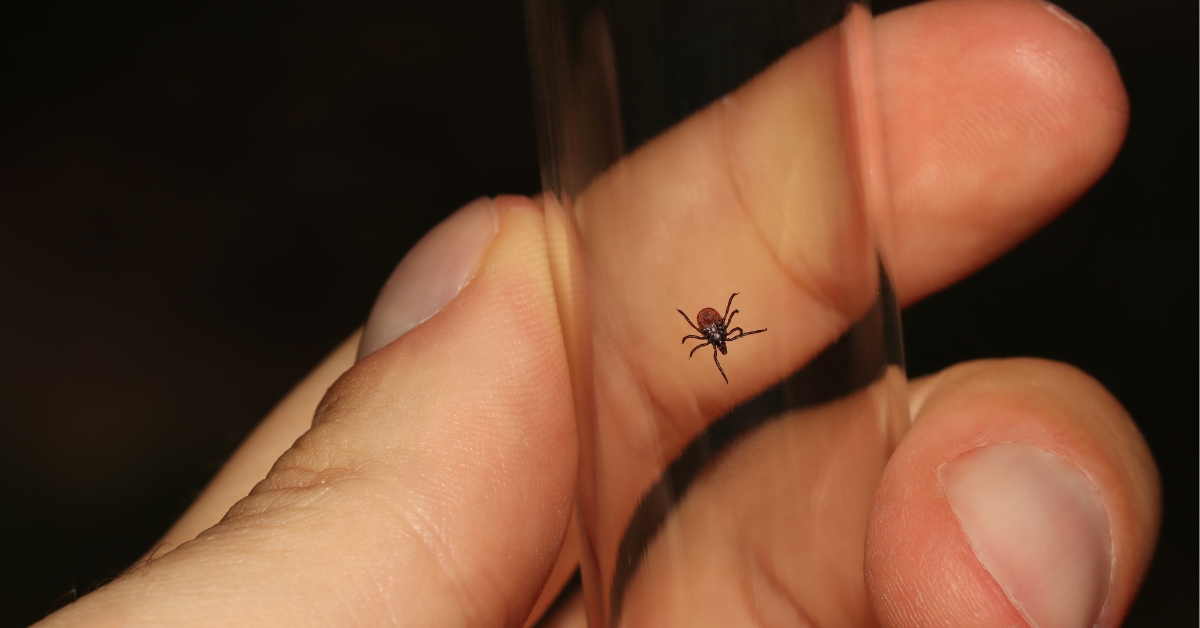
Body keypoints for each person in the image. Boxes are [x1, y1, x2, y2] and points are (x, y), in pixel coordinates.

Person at [34, 1, 1158, 626]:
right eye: (715, 329)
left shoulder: (711, 321)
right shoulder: (705, 318)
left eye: (715, 331)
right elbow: (707, 321)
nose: (716, 333)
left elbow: (707, 321)